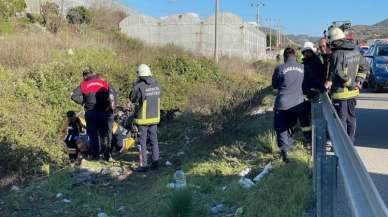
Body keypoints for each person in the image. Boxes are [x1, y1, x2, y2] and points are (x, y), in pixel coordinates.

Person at [326, 27, 369, 143]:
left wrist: (351, 83)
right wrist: (358, 81)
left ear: (333, 40)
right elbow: (365, 68)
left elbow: (337, 73)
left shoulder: (336, 54)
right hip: (353, 93)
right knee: (351, 117)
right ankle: (350, 141)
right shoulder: (355, 51)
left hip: (340, 94)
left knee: (341, 119)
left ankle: (343, 144)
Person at [71, 68, 117, 161]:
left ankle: (95, 155)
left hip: (90, 112)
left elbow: (72, 95)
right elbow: (113, 94)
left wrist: (83, 102)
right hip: (104, 112)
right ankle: (107, 155)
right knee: (105, 134)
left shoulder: (84, 84)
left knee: (93, 135)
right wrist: (110, 106)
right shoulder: (103, 83)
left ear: (85, 76)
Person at [272, 48, 307, 162]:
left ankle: (285, 151)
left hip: (282, 103)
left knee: (281, 127)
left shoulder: (280, 68)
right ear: (295, 56)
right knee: (291, 126)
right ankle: (288, 146)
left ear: (285, 56)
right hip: (297, 103)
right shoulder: (303, 67)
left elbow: (274, 85)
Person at [129, 64, 162, 172]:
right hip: (155, 118)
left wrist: (135, 86)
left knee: (142, 142)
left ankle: (143, 166)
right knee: (154, 140)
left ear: (140, 75)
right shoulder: (157, 84)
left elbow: (133, 99)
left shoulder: (139, 86)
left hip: (143, 119)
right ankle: (156, 163)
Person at [301, 42, 326, 149]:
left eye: (308, 52)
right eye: (305, 52)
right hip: (308, 93)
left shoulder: (313, 63)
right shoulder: (307, 62)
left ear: (312, 52)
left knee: (310, 117)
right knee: (307, 117)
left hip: (312, 94)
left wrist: (320, 88)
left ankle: (311, 139)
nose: (306, 54)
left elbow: (315, 79)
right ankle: (309, 138)